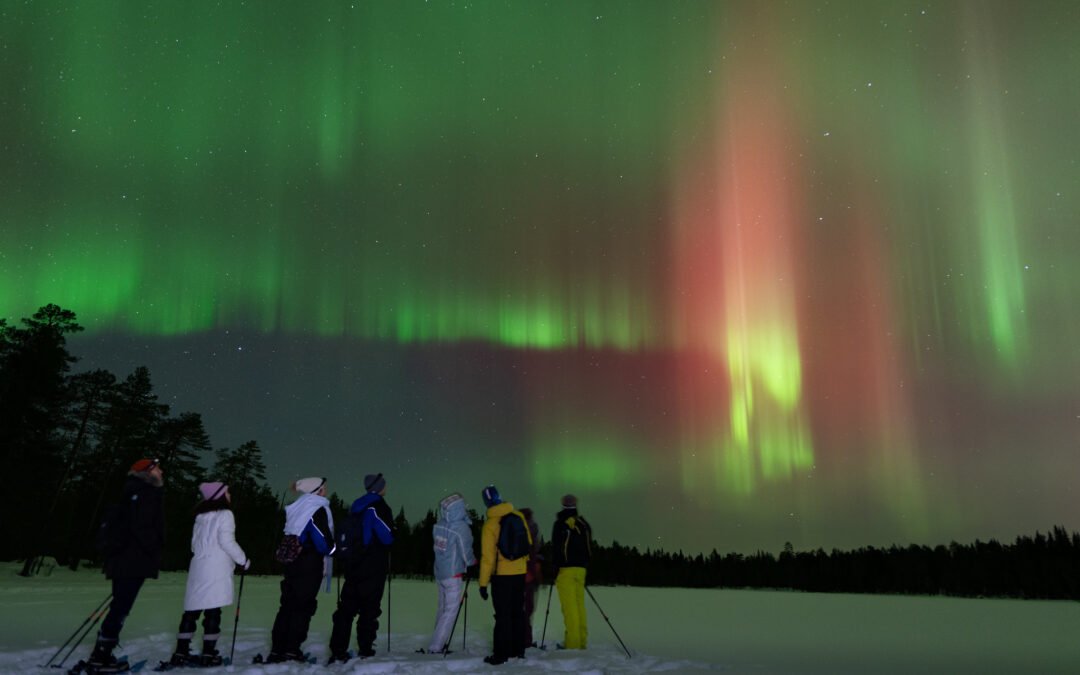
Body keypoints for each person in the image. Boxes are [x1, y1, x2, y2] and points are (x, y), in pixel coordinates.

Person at [87, 458, 165, 672]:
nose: (161, 471)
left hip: (122, 560)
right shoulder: (146, 493)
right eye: (156, 468)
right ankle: (100, 657)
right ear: (147, 472)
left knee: (119, 606)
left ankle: (102, 653)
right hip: (133, 561)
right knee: (120, 608)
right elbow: (143, 527)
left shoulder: (131, 491)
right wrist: (153, 550)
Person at [166, 482, 250, 668]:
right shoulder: (226, 514)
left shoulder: (201, 516)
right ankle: (208, 653)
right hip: (216, 568)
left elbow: (193, 545)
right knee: (213, 610)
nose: (230, 495)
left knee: (192, 611)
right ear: (219, 496)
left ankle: (181, 651)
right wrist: (243, 560)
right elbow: (227, 542)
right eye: (227, 492)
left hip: (198, 566)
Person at [266, 477, 335, 664]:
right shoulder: (316, 508)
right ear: (317, 490)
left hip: (293, 563)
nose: (326, 490)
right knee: (302, 607)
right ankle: (291, 650)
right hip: (308, 563)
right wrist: (334, 549)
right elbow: (322, 540)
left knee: (287, 606)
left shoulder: (298, 507)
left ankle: (278, 649)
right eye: (323, 487)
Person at [328, 473, 394, 663]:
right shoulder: (379, 506)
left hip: (353, 565)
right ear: (379, 487)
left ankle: (338, 650)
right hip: (372, 565)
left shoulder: (357, 506)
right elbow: (386, 536)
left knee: (346, 608)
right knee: (369, 609)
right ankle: (365, 649)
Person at [478, 485, 531, 666]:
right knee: (518, 612)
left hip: (502, 576)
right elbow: (528, 544)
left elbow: (488, 557)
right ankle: (519, 650)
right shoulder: (518, 516)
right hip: (520, 573)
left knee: (502, 615)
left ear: (487, 502)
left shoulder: (490, 524)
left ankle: (501, 654)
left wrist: (483, 583)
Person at [425, 492, 477, 654]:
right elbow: (465, 550)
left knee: (442, 608)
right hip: (453, 574)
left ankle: (437, 641)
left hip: (440, 572)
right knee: (451, 610)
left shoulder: (440, 524)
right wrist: (472, 563)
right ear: (458, 508)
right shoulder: (460, 528)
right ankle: (436, 646)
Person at [552, 494, 592, 650]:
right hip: (581, 570)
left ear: (563, 505)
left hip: (566, 570)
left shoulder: (560, 524)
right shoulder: (583, 524)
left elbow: (556, 548)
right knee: (579, 605)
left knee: (569, 609)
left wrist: (555, 567)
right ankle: (581, 641)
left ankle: (572, 645)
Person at [519, 507, 542, 647]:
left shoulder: (522, 528)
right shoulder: (530, 529)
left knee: (524, 608)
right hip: (528, 574)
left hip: (524, 573)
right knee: (527, 608)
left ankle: (523, 639)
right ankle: (525, 640)